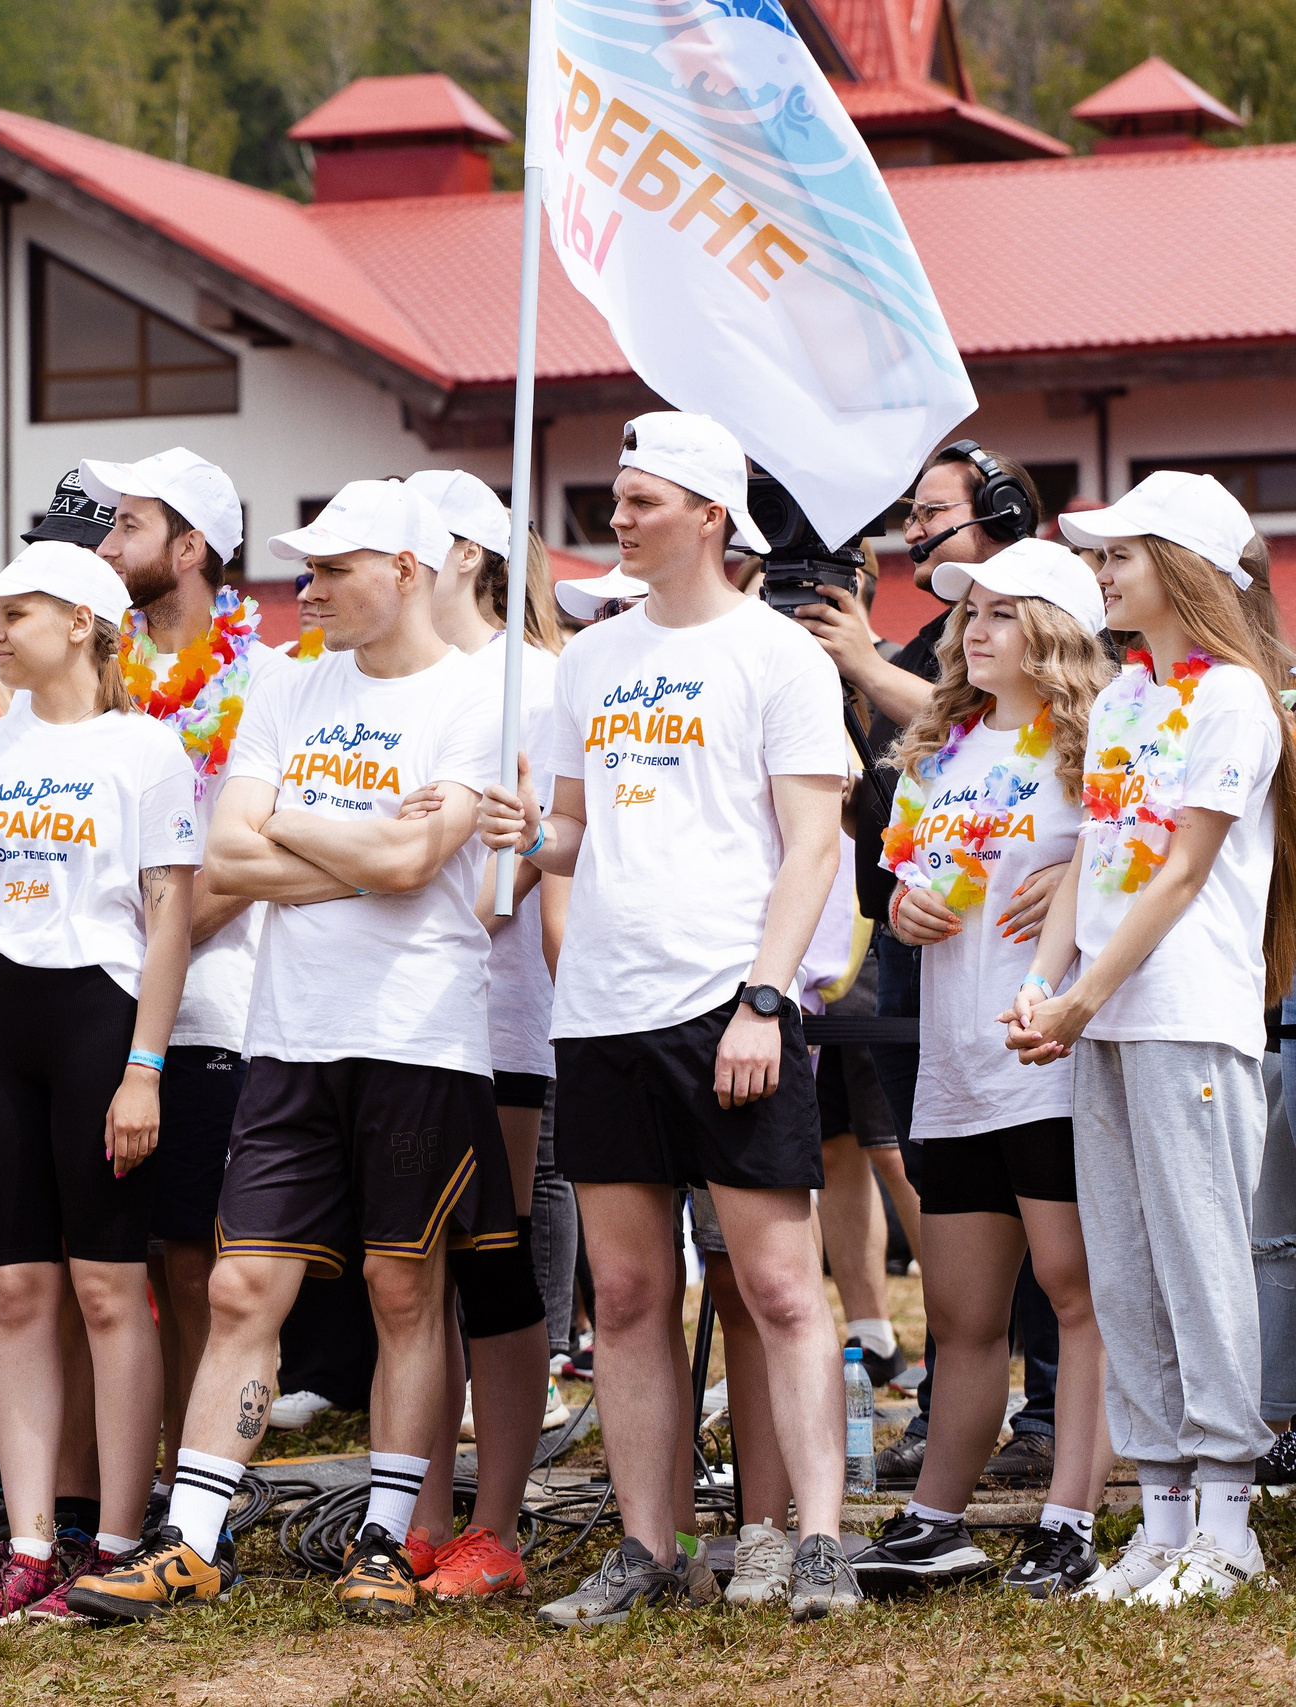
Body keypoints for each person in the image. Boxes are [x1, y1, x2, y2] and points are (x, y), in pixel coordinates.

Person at [69, 478, 514, 1623]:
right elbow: (228, 848)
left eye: (332, 569)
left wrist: (312, 836)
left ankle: (386, 1537)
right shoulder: (286, 685)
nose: (304, 589)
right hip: (291, 1032)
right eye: (302, 569)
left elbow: (423, 869)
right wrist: (369, 847)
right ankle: (195, 1538)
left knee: (400, 1288)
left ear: (408, 570)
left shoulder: (480, 694)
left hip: (420, 1032)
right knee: (238, 1287)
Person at [479, 413, 857, 1624]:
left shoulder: (777, 656)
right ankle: (651, 1546)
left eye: (641, 500)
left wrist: (764, 998)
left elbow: (811, 844)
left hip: (727, 1005)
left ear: (709, 515)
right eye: (617, 497)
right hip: (600, 1011)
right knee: (630, 1296)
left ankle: (819, 1542)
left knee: (781, 1286)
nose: (618, 517)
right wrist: (525, 838)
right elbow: (578, 833)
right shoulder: (590, 657)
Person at [1010, 471, 1293, 1605]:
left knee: (1199, 1256)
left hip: (1186, 1015)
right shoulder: (1125, 695)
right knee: (1125, 1265)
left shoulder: (1232, 697)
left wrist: (1081, 997)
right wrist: (1043, 983)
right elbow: (1092, 856)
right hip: (1107, 1018)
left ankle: (1227, 1526)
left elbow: (1182, 870)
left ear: (1176, 565)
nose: (1100, 571)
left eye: (1119, 553)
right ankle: (1162, 1517)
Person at [0, 541, 199, 1627]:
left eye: (20, 610)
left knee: (105, 1288)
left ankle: (117, 1538)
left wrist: (144, 1069)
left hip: (100, 1022)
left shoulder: (146, 748)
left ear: (82, 621)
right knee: (15, 1290)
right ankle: (29, 1541)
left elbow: (171, 918)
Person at [844, 540, 1116, 1598]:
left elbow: (1144, 868)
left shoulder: (1094, 747)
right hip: (953, 1067)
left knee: (1074, 1291)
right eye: (971, 613)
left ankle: (1069, 1523)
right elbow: (909, 886)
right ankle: (934, 1520)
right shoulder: (940, 746)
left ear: (1054, 625)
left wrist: (1086, 884)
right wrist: (902, 911)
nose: (975, 628)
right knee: (960, 1314)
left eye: (1002, 611)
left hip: (1051, 1058)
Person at [803, 443, 1063, 1489]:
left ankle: (1048, 1409)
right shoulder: (923, 639)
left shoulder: (1043, 639)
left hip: (1028, 991)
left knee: (1051, 1223)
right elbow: (901, 789)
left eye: (932, 513)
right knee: (956, 1203)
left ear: (999, 511)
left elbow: (1013, 733)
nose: (912, 532)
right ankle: (965, 1417)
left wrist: (867, 668)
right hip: (926, 966)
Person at [83, 451, 287, 1508]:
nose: (106, 547)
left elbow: (245, 862)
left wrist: (153, 955)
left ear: (190, 547)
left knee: (203, 1259)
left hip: (216, 1003)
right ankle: (146, 1480)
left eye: (126, 527)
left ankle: (208, 1484)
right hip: (91, 994)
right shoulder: (96, 664)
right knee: (124, 1264)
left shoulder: (263, 678)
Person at [395, 468, 564, 1601]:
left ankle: (493, 1521)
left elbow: (538, 861)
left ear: (465, 555)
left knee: (488, 1268)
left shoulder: (538, 685)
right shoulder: (384, 680)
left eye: (414, 538)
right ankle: (409, 1504)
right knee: (408, 1271)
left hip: (500, 1019)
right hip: (390, 1018)